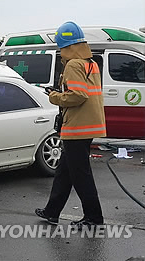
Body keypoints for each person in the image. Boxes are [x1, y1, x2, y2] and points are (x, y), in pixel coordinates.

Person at [35, 21, 106, 230]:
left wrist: (55, 96)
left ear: (66, 45)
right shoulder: (90, 63)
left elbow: (78, 95)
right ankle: (52, 212)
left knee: (80, 175)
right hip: (88, 125)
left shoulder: (74, 64)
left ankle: (94, 218)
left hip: (78, 127)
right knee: (64, 172)